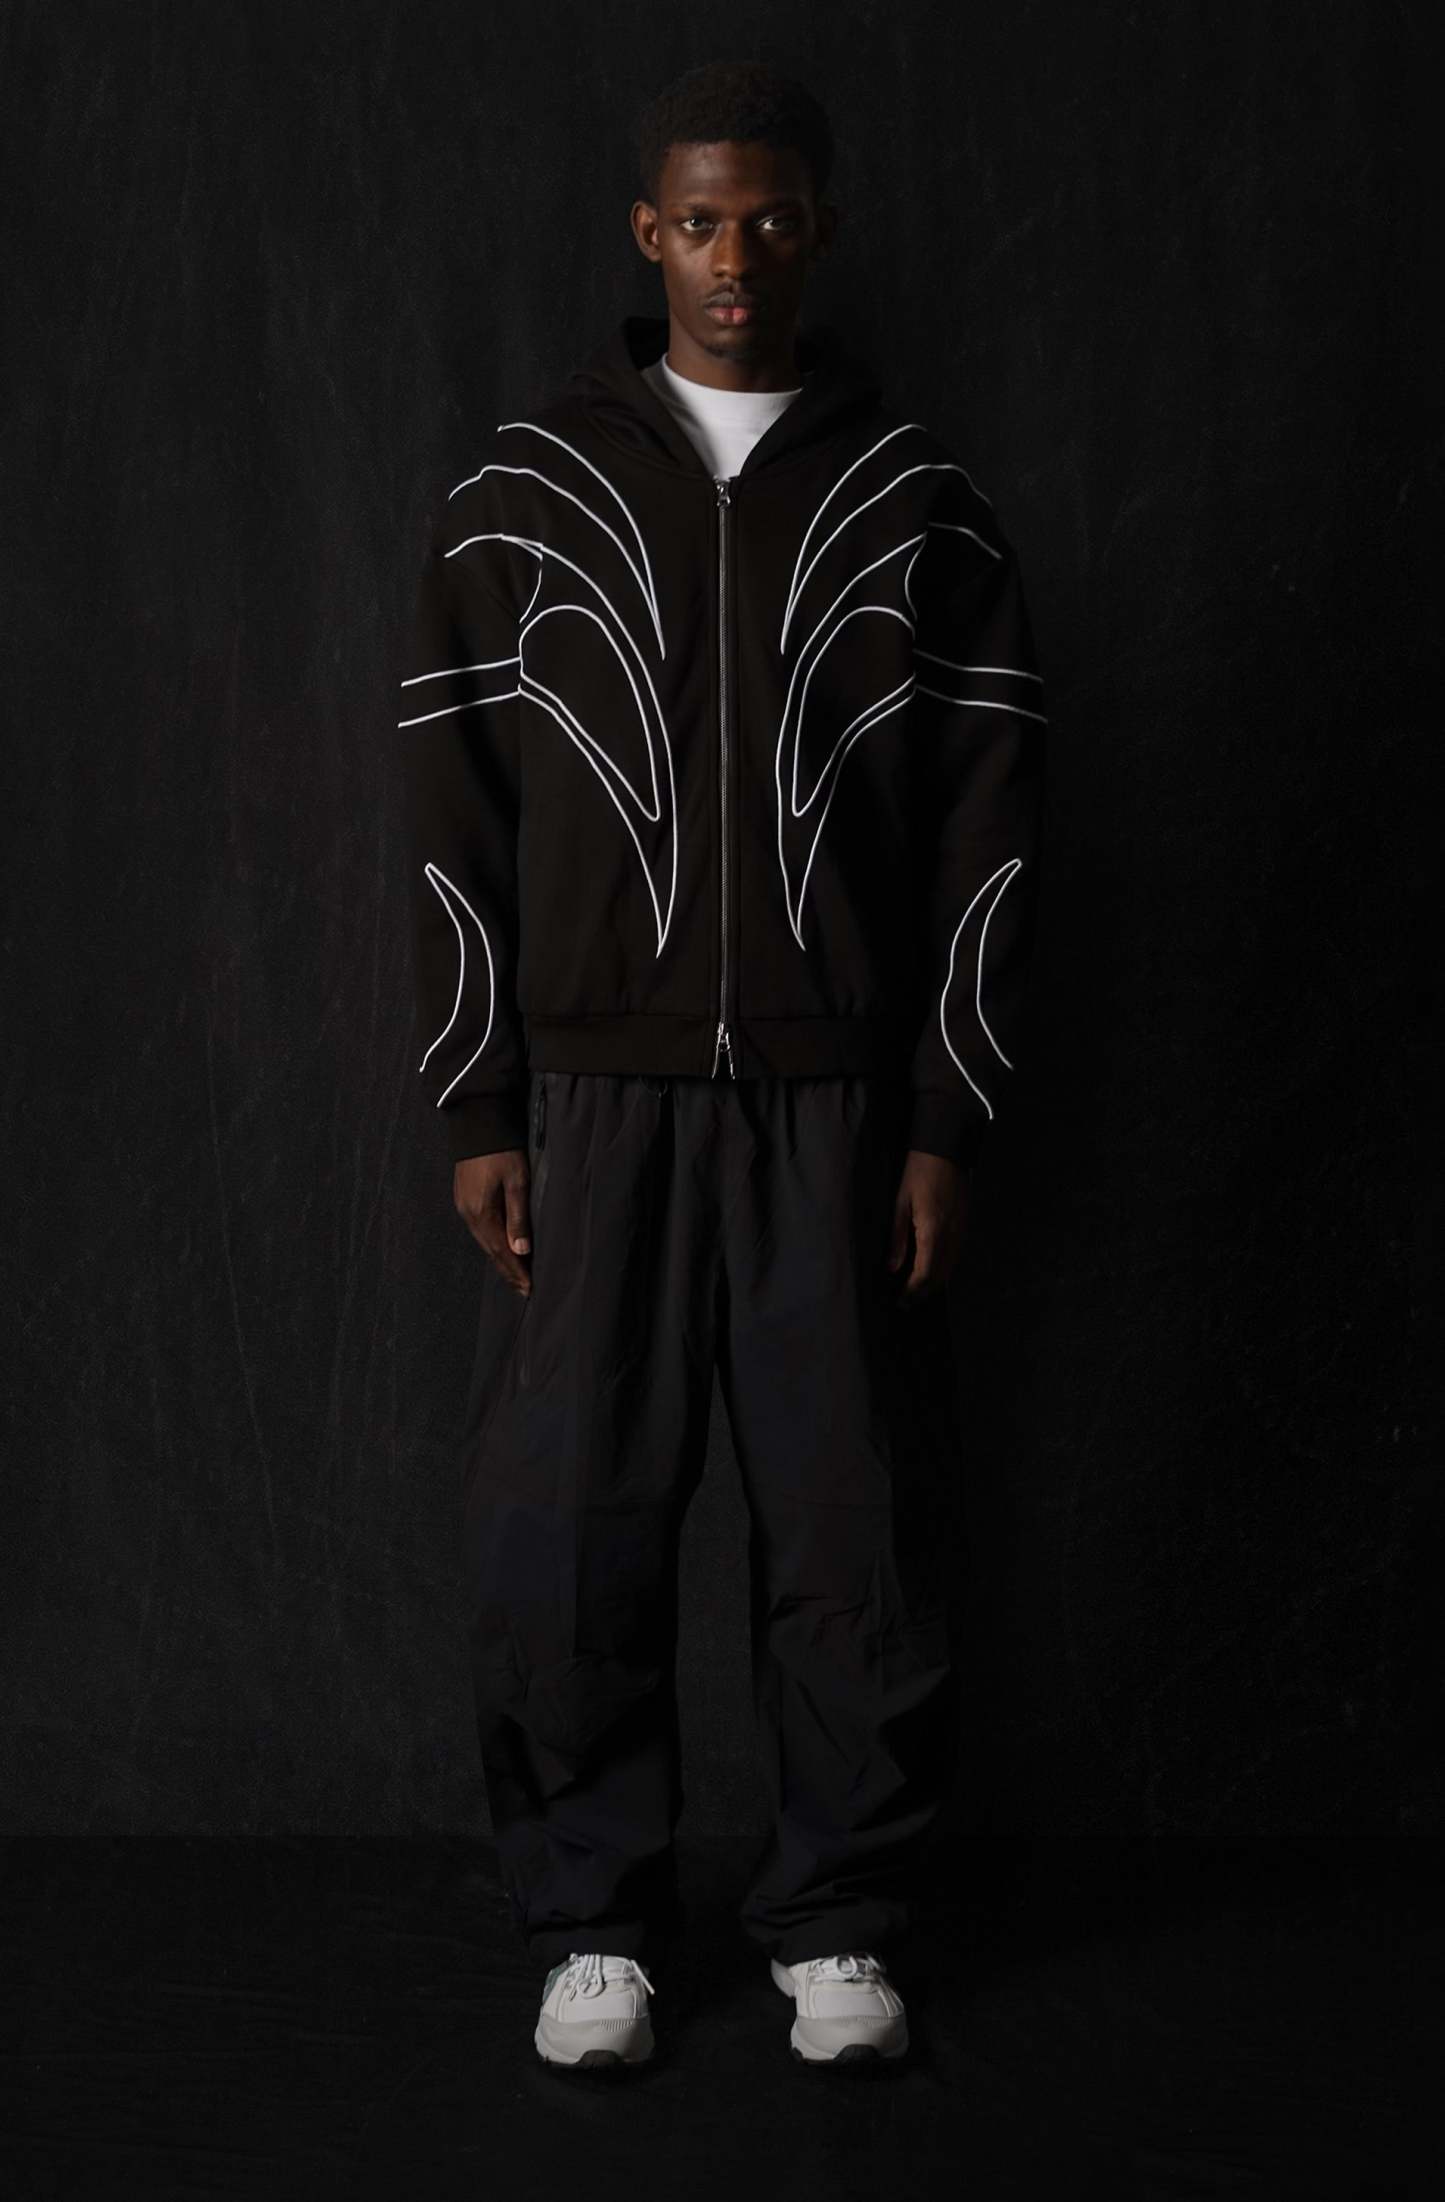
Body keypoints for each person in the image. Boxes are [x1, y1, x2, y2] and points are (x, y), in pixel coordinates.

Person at [398, 59, 1048, 2071]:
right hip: (592, 1105)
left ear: (815, 231)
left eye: (768, 217)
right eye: (699, 219)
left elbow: (992, 829)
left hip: (836, 1102)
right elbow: (449, 820)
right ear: (646, 234)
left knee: (849, 1521)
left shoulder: (917, 499)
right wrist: (479, 1097)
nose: (734, 253)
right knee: (570, 1522)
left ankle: (836, 1914)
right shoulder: (522, 493)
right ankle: (591, 1921)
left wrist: (943, 1111)